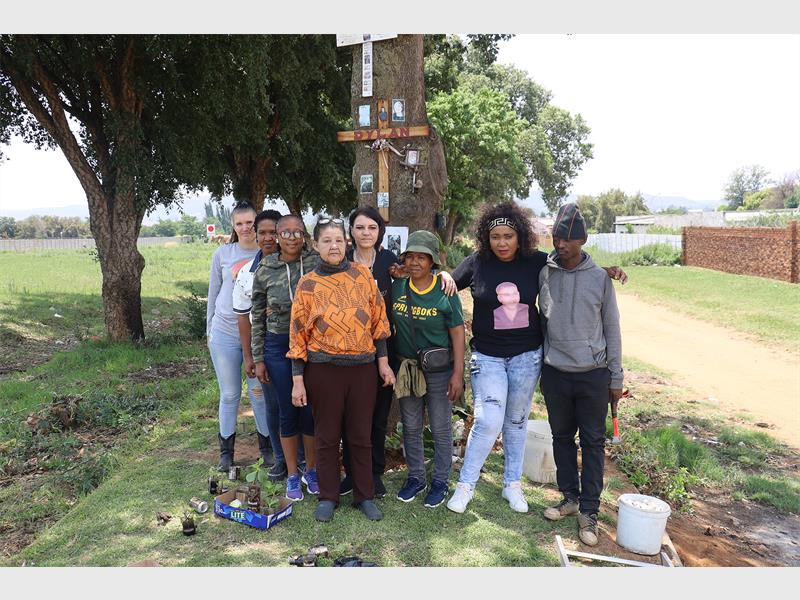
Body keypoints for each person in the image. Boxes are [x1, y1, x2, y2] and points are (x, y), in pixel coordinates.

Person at [446, 202, 627, 515]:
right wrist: (439, 276)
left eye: (508, 236)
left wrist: (604, 270)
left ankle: (511, 485)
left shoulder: (537, 262)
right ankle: (466, 485)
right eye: (495, 236)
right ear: (486, 238)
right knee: (488, 421)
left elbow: (572, 262)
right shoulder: (477, 263)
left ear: (520, 237)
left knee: (517, 422)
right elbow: (446, 284)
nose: (501, 242)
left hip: (527, 357)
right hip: (487, 357)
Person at [340, 206, 456, 498]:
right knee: (355, 419)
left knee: (383, 417)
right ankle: (357, 473)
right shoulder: (341, 262)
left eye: (372, 227)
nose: (366, 233)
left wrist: (446, 276)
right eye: (360, 227)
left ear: (380, 232)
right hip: (347, 352)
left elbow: (456, 327)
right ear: (350, 231)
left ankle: (384, 474)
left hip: (390, 356)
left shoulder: (390, 263)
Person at [287, 216, 395, 523]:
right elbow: (297, 334)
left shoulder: (362, 275)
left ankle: (365, 494)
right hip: (323, 371)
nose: (333, 246)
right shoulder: (307, 284)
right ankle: (328, 496)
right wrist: (298, 381)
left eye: (338, 240)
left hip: (363, 371)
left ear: (346, 242)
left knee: (360, 435)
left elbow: (379, 323)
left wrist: (384, 364)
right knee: (326, 435)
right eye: (326, 241)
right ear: (315, 245)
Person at [538, 202, 623, 547]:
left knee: (592, 443)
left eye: (568, 240)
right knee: (561, 439)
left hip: (593, 375)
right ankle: (569, 499)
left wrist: (615, 378)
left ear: (583, 240)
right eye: (557, 238)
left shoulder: (601, 279)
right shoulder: (545, 272)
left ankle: (590, 511)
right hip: (556, 372)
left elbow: (613, 329)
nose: (560, 245)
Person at [392, 230, 465, 509]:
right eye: (410, 256)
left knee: (440, 427)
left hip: (439, 371)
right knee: (410, 426)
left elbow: (458, 333)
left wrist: (457, 373)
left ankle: (440, 482)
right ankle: (416, 477)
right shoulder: (398, 287)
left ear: (433, 261)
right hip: (408, 368)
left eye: (422, 257)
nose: (415, 262)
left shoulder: (445, 290)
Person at [251, 214, 319, 500]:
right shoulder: (265, 267)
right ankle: (293, 473)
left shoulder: (317, 263)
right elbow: (257, 315)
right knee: (287, 408)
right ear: (277, 237)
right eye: (285, 233)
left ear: (304, 235)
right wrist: (258, 358)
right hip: (278, 345)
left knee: (311, 409)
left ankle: (312, 470)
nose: (291, 238)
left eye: (297, 232)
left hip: (313, 343)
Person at [207, 202, 264, 472]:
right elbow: (214, 294)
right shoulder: (223, 254)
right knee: (230, 394)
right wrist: (209, 331)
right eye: (239, 223)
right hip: (225, 333)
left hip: (256, 335)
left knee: (258, 393)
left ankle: (267, 448)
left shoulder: (267, 254)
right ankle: (226, 453)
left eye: (250, 222)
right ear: (233, 226)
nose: (245, 228)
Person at [231, 208, 282, 473]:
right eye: (262, 232)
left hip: (297, 348)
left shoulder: (300, 266)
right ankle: (278, 457)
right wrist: (249, 357)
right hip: (266, 349)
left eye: (274, 232)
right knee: (271, 405)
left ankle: (305, 461)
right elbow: (242, 317)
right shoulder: (246, 274)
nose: (268, 238)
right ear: (255, 234)